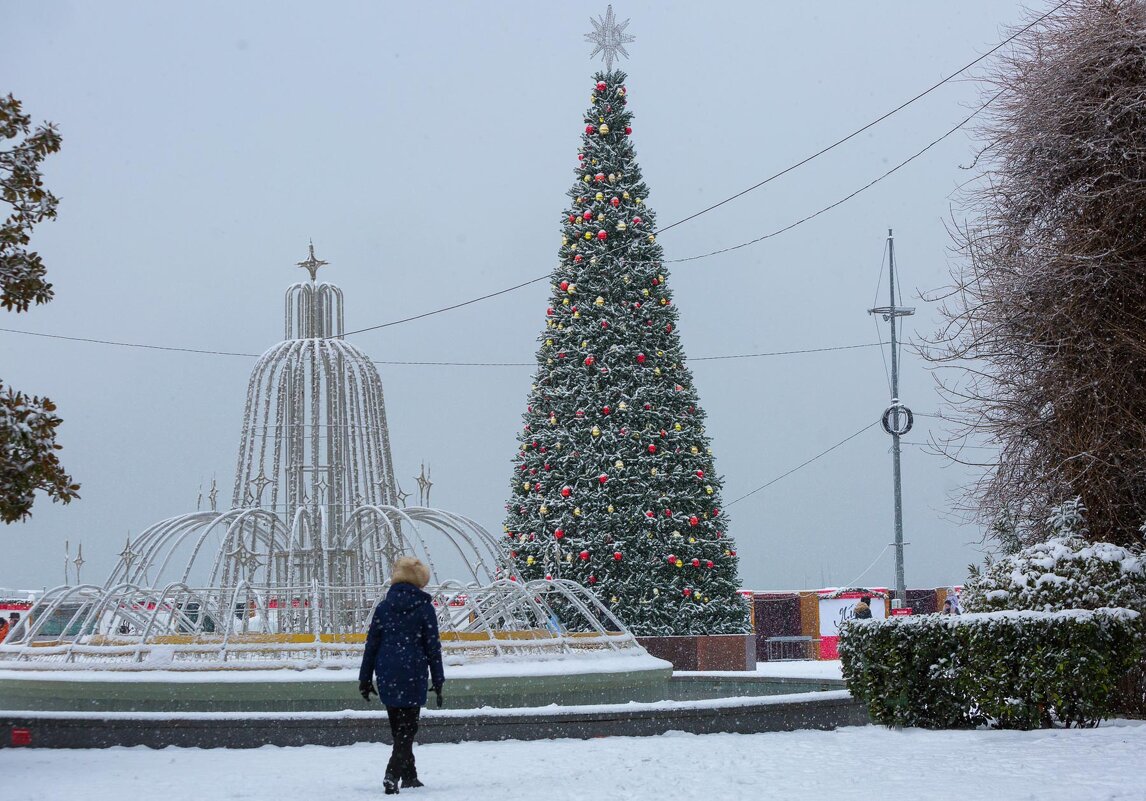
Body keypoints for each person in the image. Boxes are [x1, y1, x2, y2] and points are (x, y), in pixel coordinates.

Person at [359, 557, 444, 795]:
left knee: (399, 728)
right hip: (413, 671)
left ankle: (410, 776)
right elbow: (432, 647)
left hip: (386, 672)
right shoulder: (424, 608)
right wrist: (438, 679)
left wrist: (365, 678)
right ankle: (392, 773)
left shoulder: (384, 608)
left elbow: (371, 645)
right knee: (408, 729)